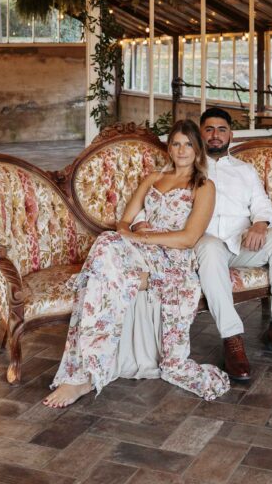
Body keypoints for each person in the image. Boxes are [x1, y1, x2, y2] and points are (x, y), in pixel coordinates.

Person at [44, 119, 230, 408]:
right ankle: (85, 373)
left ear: (198, 150)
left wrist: (145, 238)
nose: (182, 151)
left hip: (172, 258)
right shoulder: (152, 179)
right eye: (176, 144)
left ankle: (84, 375)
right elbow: (123, 224)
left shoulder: (204, 186)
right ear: (169, 147)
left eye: (188, 145)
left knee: (104, 260)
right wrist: (136, 228)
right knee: (106, 244)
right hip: (140, 250)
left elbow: (189, 238)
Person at [195, 106, 272, 382]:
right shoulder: (188, 166)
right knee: (210, 248)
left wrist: (260, 224)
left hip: (242, 243)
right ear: (200, 133)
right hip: (207, 245)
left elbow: (262, 205)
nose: (215, 135)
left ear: (231, 135)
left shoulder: (244, 170)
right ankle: (232, 339)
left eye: (222, 130)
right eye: (209, 129)